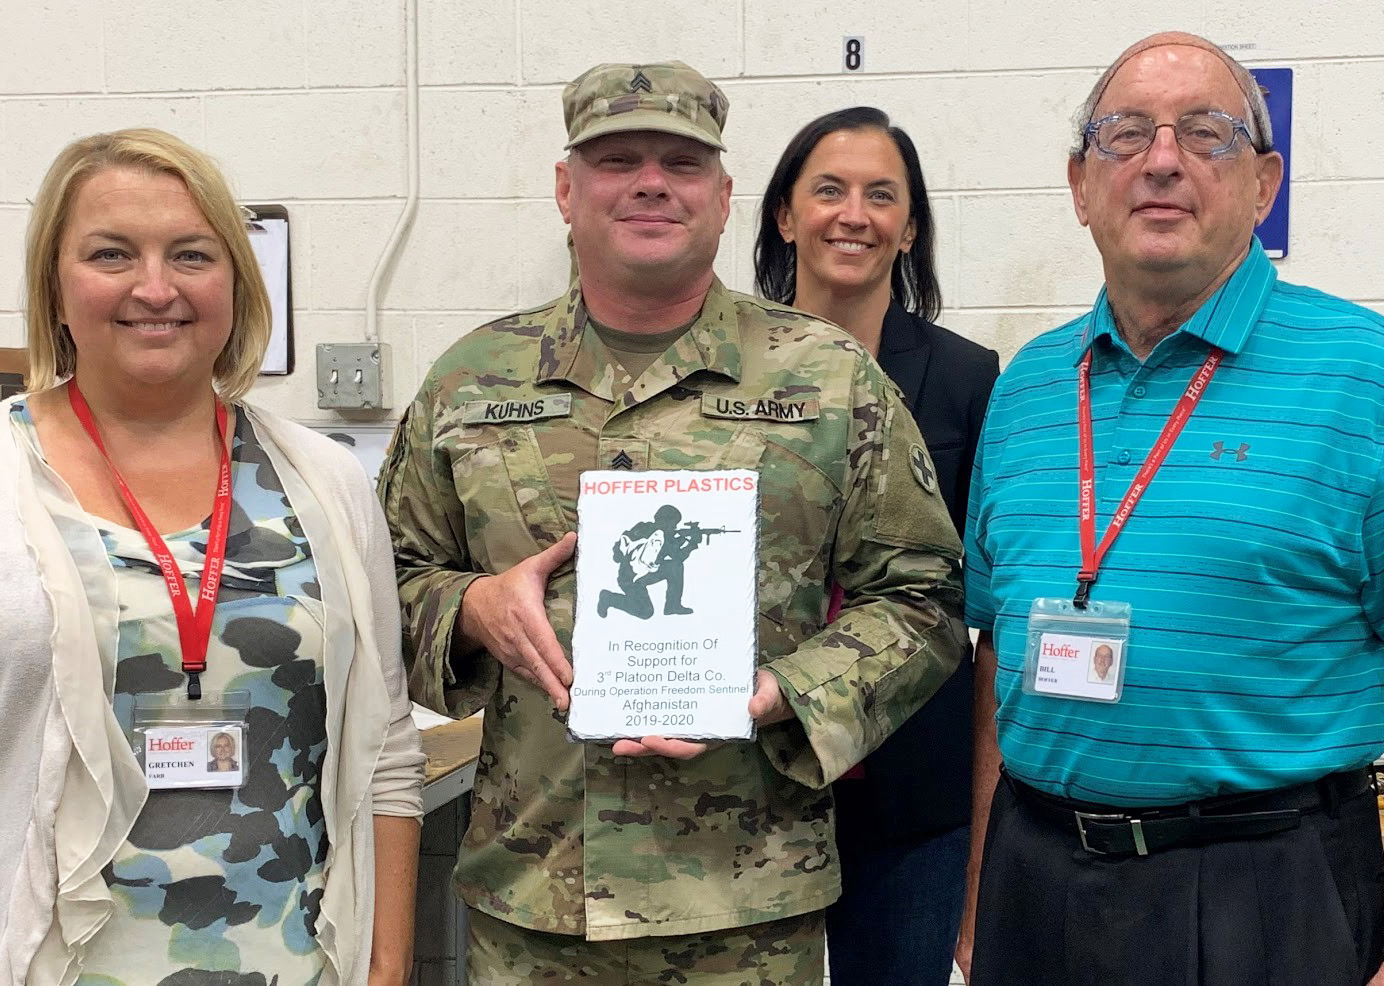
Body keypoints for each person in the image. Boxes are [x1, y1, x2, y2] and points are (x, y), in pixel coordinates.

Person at [379, 61, 968, 983]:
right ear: (566, 191)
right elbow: (386, 585)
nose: (651, 182)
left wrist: (785, 694)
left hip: (746, 912)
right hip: (533, 905)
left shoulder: (829, 380)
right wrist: (474, 611)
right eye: (617, 159)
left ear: (726, 196)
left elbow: (925, 598)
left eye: (681, 164)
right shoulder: (470, 381)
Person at [957, 32, 1384, 986]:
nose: (1160, 160)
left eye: (1207, 134)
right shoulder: (1027, 389)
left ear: (1264, 185)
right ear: (1077, 184)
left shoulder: (1377, 380)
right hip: (1037, 883)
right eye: (1124, 135)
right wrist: (984, 888)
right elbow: (997, 655)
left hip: (1266, 897)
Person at [0, 128, 426, 986]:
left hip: (296, 963)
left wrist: (387, 965)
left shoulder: (327, 482)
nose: (154, 288)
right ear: (55, 285)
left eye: (192, 254)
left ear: (238, 283)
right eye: (111, 253)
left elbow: (384, 746)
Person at [753, 106, 998, 985]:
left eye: (880, 195)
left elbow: (978, 606)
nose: (852, 214)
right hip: (748, 777)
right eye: (828, 190)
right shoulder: (722, 368)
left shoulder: (970, 378)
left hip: (911, 794)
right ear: (786, 215)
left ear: (910, 227)